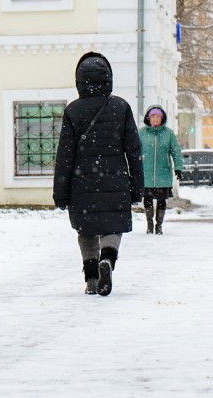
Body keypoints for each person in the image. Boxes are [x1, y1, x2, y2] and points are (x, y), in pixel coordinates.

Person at [53, 52, 143, 296]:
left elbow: (64, 156)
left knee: (87, 229)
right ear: (108, 78)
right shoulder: (120, 107)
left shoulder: (73, 110)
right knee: (113, 225)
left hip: (82, 181)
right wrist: (137, 187)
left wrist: (60, 193)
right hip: (115, 178)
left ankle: (92, 277)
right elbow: (133, 150)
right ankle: (108, 259)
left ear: (80, 80)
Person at [138, 105, 183, 235]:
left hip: (163, 172)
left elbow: (176, 152)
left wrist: (178, 168)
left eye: (158, 116)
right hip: (146, 172)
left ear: (162, 118)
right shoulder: (141, 133)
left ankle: (159, 225)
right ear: (148, 118)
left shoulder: (168, 133)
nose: (155, 119)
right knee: (147, 199)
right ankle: (149, 224)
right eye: (153, 116)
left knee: (161, 200)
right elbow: (134, 152)